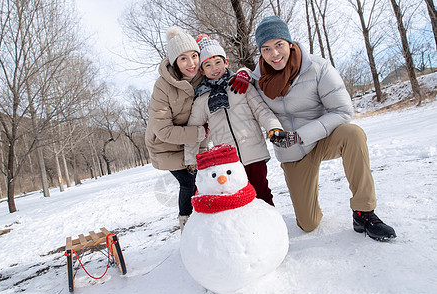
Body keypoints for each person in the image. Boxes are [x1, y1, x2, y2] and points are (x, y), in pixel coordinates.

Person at [251, 16, 396, 241]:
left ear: (289, 43)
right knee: (308, 224)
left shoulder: (316, 67)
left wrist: (301, 135)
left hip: (322, 139)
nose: (274, 54)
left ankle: (364, 212)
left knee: (354, 134)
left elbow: (342, 111)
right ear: (261, 52)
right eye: (266, 48)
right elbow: (259, 110)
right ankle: (310, 207)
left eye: (279, 44)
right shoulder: (256, 79)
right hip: (293, 154)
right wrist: (240, 72)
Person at [145, 27, 249, 231]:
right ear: (175, 61)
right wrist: (201, 133)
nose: (191, 63)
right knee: (189, 182)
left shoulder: (201, 77)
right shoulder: (163, 86)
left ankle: (207, 223)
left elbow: (223, 73)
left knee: (204, 181)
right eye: (183, 58)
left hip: (194, 143)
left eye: (194, 56)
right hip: (165, 147)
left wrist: (244, 74)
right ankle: (187, 225)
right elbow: (162, 130)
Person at [184, 34, 285, 206]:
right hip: (228, 161)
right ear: (202, 70)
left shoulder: (241, 84)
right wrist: (190, 159)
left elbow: (261, 110)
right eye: (208, 64)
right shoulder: (202, 100)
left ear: (226, 62)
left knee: (262, 192)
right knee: (239, 200)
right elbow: (193, 130)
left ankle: (271, 227)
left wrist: (274, 128)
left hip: (254, 153)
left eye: (217, 62)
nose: (214, 68)